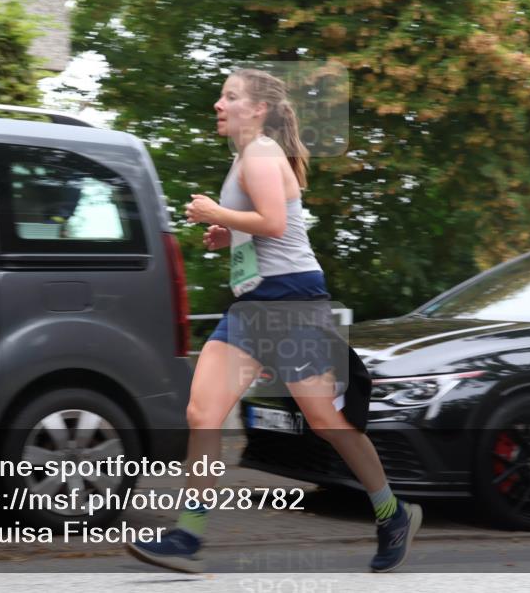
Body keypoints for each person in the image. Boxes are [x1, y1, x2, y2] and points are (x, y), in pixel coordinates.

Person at [126, 68, 422, 574]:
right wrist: (229, 234)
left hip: (291, 302)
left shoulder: (261, 152)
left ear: (258, 109)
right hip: (253, 305)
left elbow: (276, 223)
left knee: (327, 421)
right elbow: (261, 229)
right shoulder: (244, 157)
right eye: (221, 95)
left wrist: (217, 212)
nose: (219, 103)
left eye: (231, 96)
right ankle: (188, 536)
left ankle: (392, 513)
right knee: (203, 413)